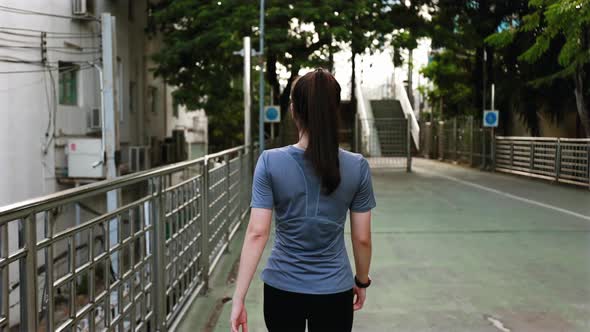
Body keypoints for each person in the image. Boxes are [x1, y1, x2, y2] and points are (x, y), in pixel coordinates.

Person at [230, 68, 376, 332]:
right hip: (335, 291)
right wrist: (361, 281)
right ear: (334, 110)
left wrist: (238, 298)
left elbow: (257, 233)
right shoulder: (357, 166)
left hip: (282, 289)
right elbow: (362, 238)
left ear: (293, 109)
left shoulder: (270, 161)